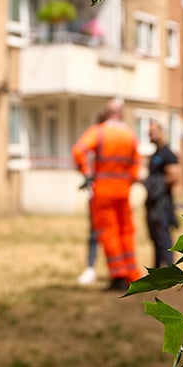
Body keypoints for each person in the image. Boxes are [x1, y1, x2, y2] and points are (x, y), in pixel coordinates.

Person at [72, 98, 144, 291]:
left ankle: (118, 275)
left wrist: (86, 173)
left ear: (107, 113)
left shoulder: (99, 132)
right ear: (121, 114)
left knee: (109, 232)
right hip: (123, 191)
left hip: (103, 191)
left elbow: (79, 150)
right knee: (126, 231)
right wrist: (129, 179)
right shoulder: (129, 135)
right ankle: (132, 274)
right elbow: (137, 163)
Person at [76, 109, 110, 285]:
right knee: (95, 233)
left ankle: (112, 271)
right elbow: (80, 154)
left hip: (105, 194)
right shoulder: (96, 139)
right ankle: (91, 267)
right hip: (97, 194)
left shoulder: (107, 142)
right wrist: (88, 175)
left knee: (104, 233)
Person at [144, 119, 179, 268]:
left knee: (163, 236)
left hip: (162, 202)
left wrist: (155, 186)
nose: (150, 135)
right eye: (149, 132)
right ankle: (157, 268)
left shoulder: (168, 154)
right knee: (155, 236)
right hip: (152, 201)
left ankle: (171, 269)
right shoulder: (155, 154)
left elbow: (174, 176)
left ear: (162, 133)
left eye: (153, 132)